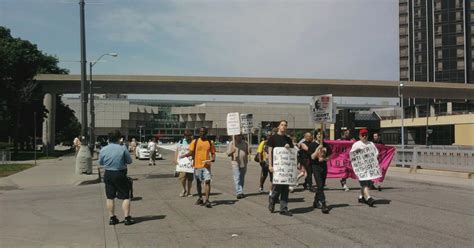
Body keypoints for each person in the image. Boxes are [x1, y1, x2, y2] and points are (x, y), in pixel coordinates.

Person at [99, 130, 135, 225]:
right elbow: (129, 161)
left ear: (109, 139)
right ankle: (127, 218)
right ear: (119, 138)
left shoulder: (103, 149)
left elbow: (101, 163)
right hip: (120, 173)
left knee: (110, 197)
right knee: (125, 196)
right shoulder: (122, 148)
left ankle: (112, 218)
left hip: (108, 174)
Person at [181, 127, 216, 208]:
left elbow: (213, 153)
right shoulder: (195, 142)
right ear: (199, 133)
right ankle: (200, 198)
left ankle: (207, 200)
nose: (202, 133)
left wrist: (213, 158)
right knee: (198, 183)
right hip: (197, 165)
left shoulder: (210, 142)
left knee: (207, 181)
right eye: (200, 132)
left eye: (203, 132)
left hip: (206, 165)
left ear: (206, 133)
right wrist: (184, 155)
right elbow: (191, 152)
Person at [268, 120, 294, 216]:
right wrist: (270, 165)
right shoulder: (272, 138)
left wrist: (289, 147)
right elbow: (270, 152)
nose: (284, 126)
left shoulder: (288, 139)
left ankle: (284, 208)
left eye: (285, 125)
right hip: (276, 167)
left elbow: (292, 153)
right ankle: (273, 199)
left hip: (286, 168)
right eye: (282, 125)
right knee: (277, 187)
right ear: (279, 126)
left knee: (285, 188)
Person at [351, 128, 378, 207]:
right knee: (364, 183)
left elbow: (376, 153)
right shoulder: (356, 144)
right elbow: (351, 155)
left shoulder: (371, 144)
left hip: (369, 168)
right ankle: (368, 198)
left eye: (366, 135)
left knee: (367, 184)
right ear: (359, 136)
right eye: (363, 135)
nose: (364, 136)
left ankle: (361, 197)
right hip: (360, 168)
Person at [309, 129, 332, 214]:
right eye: (318, 134)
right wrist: (317, 149)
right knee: (319, 185)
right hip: (315, 166)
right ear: (316, 135)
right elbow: (312, 157)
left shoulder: (326, 145)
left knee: (321, 185)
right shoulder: (312, 145)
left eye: (321, 134)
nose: (319, 136)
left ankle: (315, 201)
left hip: (323, 166)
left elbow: (331, 155)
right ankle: (324, 204)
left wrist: (325, 159)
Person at [226, 134, 249, 199]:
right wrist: (232, 151)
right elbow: (228, 153)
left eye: (240, 135)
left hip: (244, 163)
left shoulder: (245, 143)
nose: (239, 137)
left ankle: (240, 190)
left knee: (242, 178)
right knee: (237, 177)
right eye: (238, 136)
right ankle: (239, 192)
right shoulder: (232, 143)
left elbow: (247, 152)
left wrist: (248, 151)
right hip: (235, 162)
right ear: (235, 137)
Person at [175, 130, 194, 197]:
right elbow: (177, 150)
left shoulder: (193, 142)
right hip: (182, 162)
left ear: (190, 135)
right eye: (185, 135)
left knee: (190, 178)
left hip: (190, 162)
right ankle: (184, 189)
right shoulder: (181, 141)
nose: (187, 137)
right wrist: (175, 159)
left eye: (188, 135)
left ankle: (189, 192)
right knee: (182, 177)